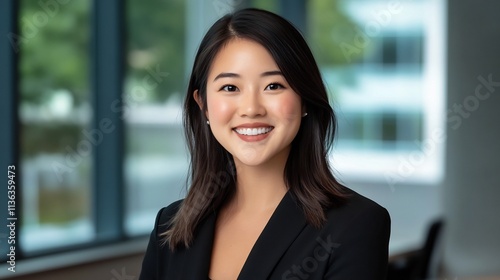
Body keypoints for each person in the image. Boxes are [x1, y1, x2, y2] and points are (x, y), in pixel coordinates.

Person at [139, 8, 390, 280]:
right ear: (204, 105)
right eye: (230, 88)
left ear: (304, 99)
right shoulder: (170, 225)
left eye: (273, 86)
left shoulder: (356, 225)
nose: (251, 109)